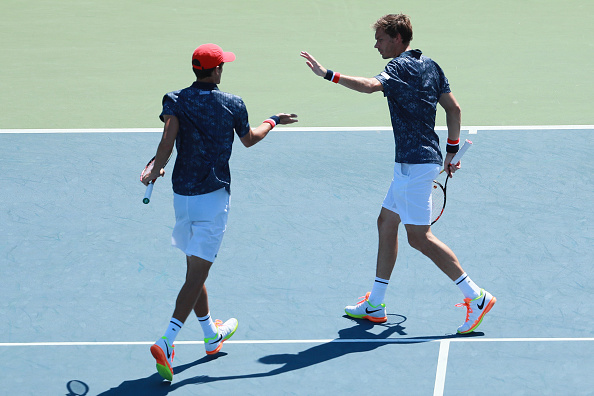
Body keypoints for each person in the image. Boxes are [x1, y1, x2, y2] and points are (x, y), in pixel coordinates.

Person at [301, 14, 495, 334]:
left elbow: (368, 86)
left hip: (413, 167)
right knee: (386, 221)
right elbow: (454, 109)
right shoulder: (431, 65)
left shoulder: (398, 67)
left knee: (419, 238)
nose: (375, 44)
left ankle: (476, 296)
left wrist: (328, 74)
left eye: (380, 38)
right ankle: (376, 304)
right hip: (421, 160)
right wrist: (450, 151)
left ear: (396, 38)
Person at [142, 43, 298, 381]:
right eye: (222, 65)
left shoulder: (175, 99)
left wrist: (155, 168)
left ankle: (211, 337)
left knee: (193, 268)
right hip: (212, 199)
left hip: (182, 196)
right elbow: (250, 139)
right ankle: (167, 340)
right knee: (197, 275)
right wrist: (273, 120)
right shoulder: (232, 104)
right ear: (215, 71)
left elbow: (168, 139)